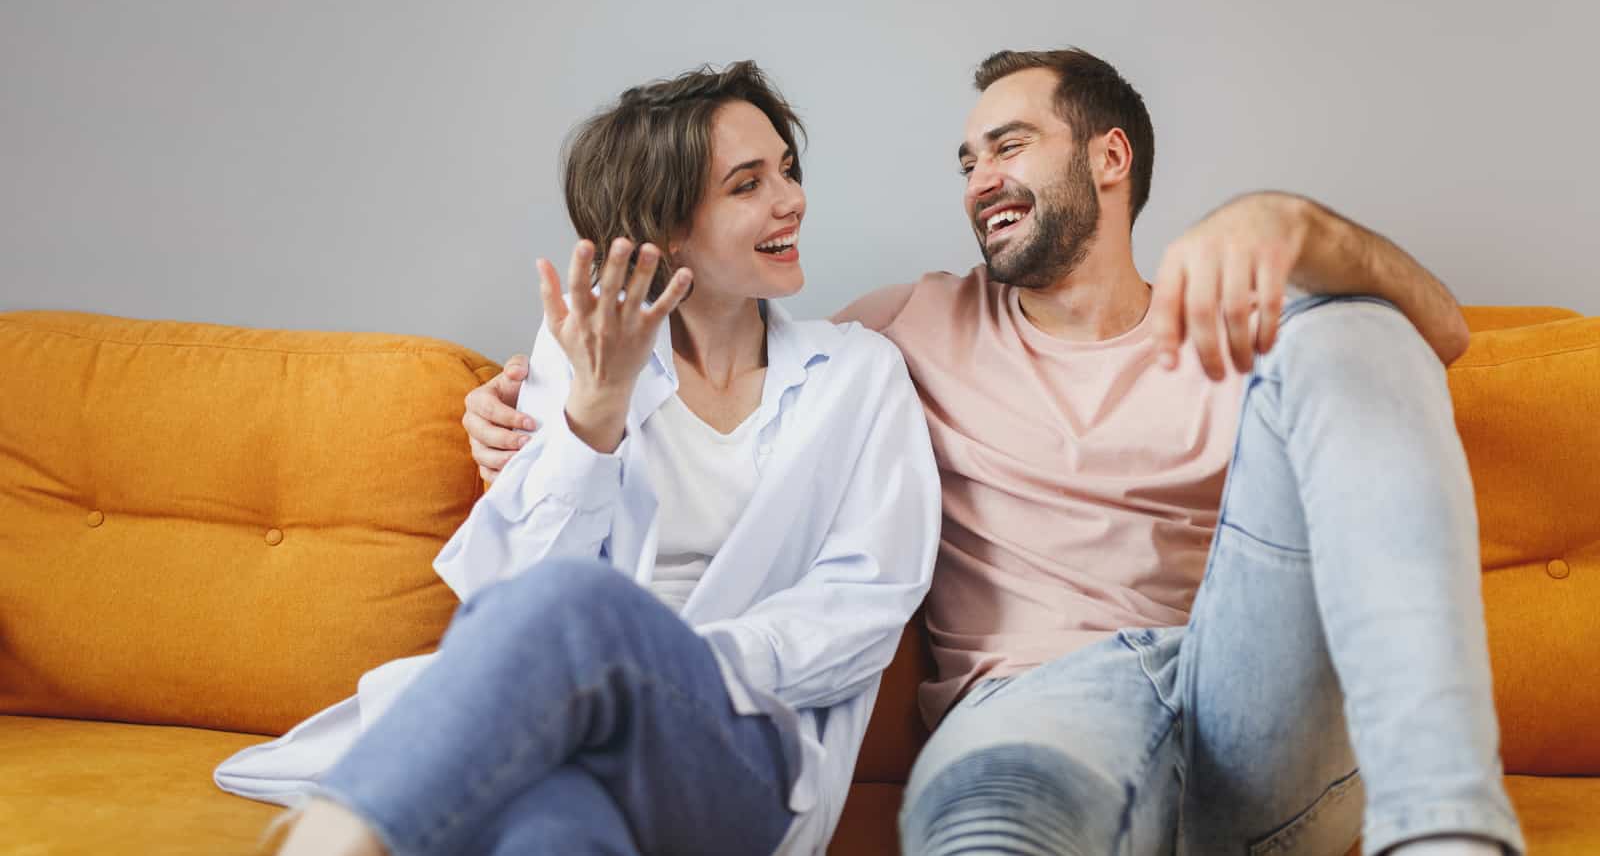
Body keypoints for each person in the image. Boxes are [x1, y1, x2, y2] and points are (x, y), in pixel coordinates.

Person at [466, 49, 1524, 855]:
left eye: (1009, 145)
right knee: (988, 814)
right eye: (967, 160)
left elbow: (1437, 337)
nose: (978, 178)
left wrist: (1292, 225)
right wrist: (546, 401)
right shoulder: (895, 334)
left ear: (1109, 157)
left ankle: (1447, 833)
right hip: (1038, 724)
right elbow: (721, 359)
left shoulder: (1232, 319)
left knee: (1351, 324)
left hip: (1256, 726)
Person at [215, 61, 942, 856]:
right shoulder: (583, 359)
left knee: (579, 609)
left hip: (745, 755)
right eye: (747, 184)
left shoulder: (860, 376)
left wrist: (644, 660)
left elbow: (864, 604)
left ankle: (330, 841)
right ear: (666, 229)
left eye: (788, 170)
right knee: (553, 827)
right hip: (571, 730)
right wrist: (595, 411)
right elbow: (505, 597)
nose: (791, 198)